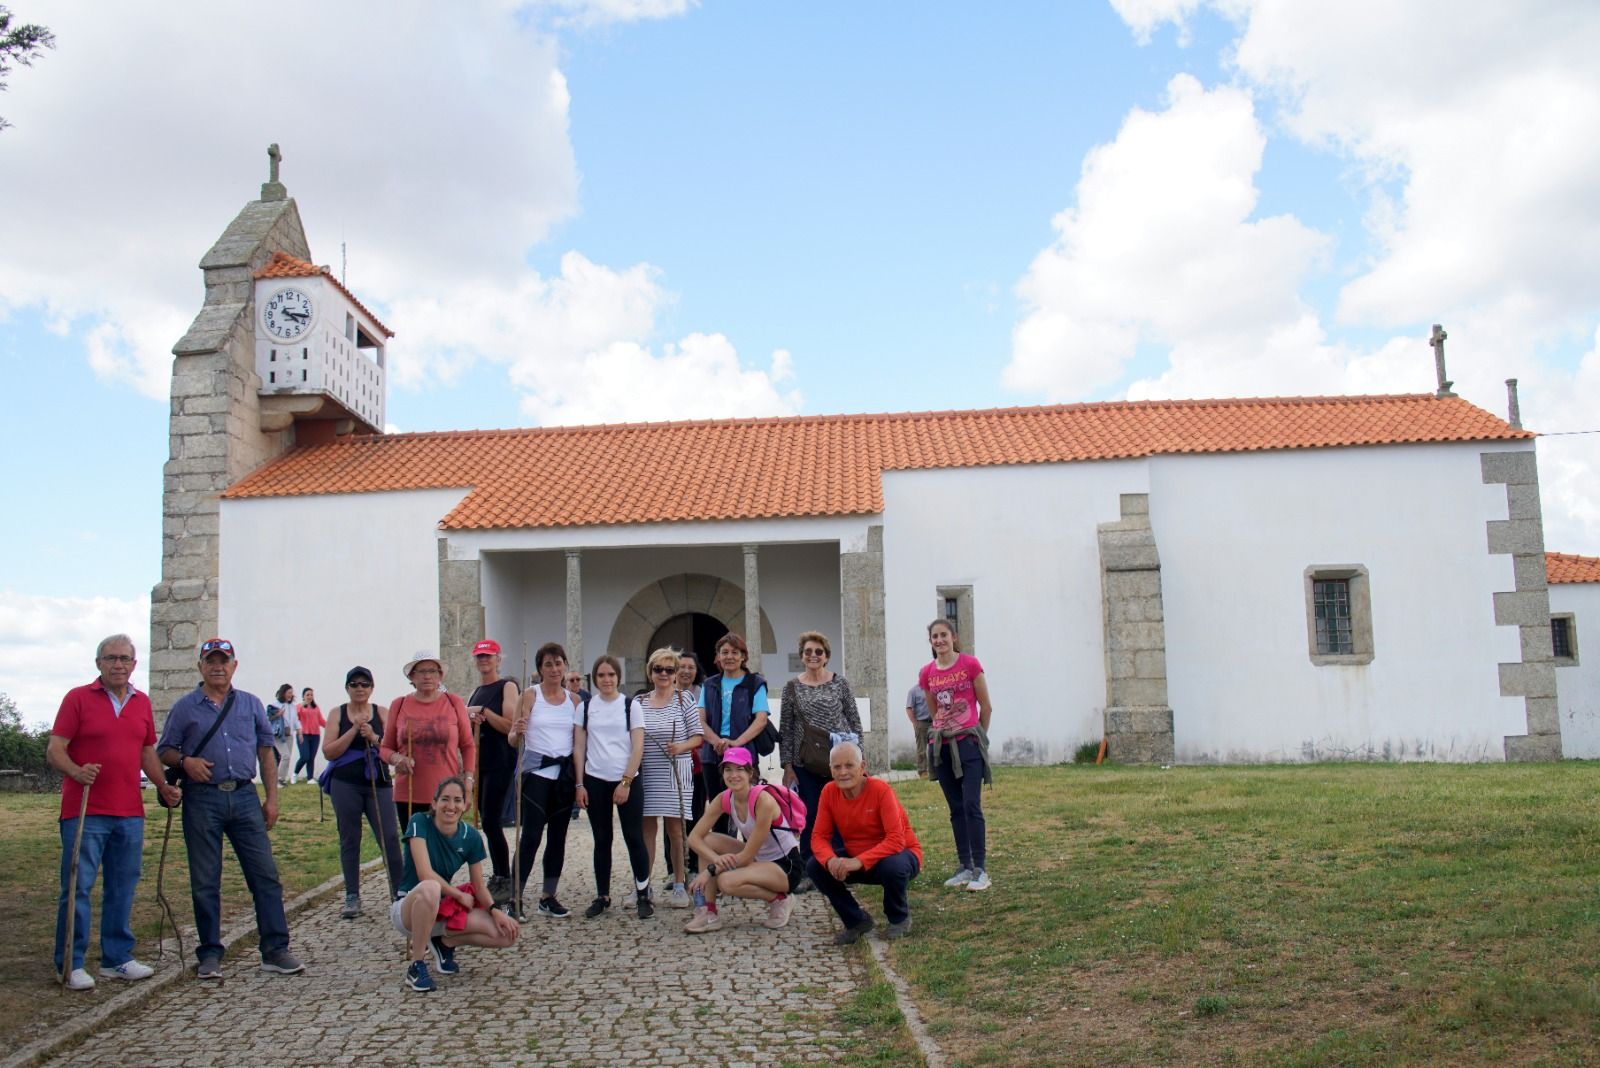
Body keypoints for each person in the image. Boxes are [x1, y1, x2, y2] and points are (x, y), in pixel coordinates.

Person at [157, 637, 305, 979]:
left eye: (224, 660)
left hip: (243, 796)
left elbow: (266, 752)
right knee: (205, 879)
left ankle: (275, 949)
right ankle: (209, 953)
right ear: (200, 667)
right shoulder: (184, 707)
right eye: (211, 661)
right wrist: (186, 761)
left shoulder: (251, 704)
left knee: (265, 876)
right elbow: (164, 749)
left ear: (234, 666)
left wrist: (272, 798)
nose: (218, 666)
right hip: (202, 798)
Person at [47, 634, 180, 990]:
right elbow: (55, 749)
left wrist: (163, 784)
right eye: (110, 658)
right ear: (98, 664)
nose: (118, 665)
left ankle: (116, 958)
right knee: (78, 886)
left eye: (124, 659)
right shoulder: (77, 698)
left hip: (129, 811)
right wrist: (76, 771)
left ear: (134, 665)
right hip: (85, 810)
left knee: (123, 886)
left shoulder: (141, 702)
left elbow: (147, 751)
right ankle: (70, 963)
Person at [392, 777, 520, 993]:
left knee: (506, 935)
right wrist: (458, 895)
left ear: (465, 805)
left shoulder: (470, 836)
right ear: (434, 803)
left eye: (457, 800)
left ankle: (444, 943)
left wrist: (496, 911)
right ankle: (417, 964)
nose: (451, 806)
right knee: (430, 887)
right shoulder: (419, 822)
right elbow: (425, 873)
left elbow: (479, 886)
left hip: (442, 909)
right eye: (445, 799)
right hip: (409, 907)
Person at [807, 739, 923, 944]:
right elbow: (818, 837)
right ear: (831, 770)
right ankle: (856, 920)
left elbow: (896, 840)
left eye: (849, 765)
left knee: (893, 866)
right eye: (837, 767)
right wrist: (831, 860)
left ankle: (899, 918)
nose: (843, 772)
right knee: (815, 865)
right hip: (858, 857)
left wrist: (858, 861)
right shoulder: (828, 792)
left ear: (862, 767)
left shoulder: (880, 789)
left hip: (900, 855)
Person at [684, 746, 802, 933]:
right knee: (707, 840)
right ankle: (708, 912)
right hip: (759, 859)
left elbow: (746, 857)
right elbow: (694, 838)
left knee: (726, 882)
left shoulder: (764, 802)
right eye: (728, 769)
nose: (733, 775)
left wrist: (708, 872)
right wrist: (715, 859)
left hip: (784, 866)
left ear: (750, 773)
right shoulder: (725, 798)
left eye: (739, 769)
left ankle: (780, 900)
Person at [779, 630, 862, 888]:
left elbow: (854, 720)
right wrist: (788, 765)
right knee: (812, 814)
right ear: (802, 656)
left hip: (840, 761)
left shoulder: (840, 683)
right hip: (806, 762)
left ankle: (839, 865)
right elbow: (787, 728)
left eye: (818, 652)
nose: (813, 656)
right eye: (808, 652)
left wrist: (858, 758)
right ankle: (809, 868)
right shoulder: (792, 688)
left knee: (841, 812)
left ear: (826, 656)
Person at [321, 666, 404, 918]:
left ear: (371, 688)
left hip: (377, 782)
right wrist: (354, 730)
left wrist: (374, 736)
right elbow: (329, 751)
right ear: (347, 688)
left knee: (389, 836)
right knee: (349, 838)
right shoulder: (337, 713)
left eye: (364, 684)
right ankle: (352, 895)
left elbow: (393, 749)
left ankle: (398, 892)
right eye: (354, 684)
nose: (359, 688)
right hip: (345, 783)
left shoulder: (382, 712)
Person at [573, 654, 651, 919]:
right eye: (601, 675)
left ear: (618, 677)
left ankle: (643, 893)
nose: (606, 680)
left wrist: (626, 782)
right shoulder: (585, 708)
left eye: (611, 675)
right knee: (602, 839)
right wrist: (580, 784)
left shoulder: (631, 706)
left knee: (634, 838)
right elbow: (579, 746)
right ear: (594, 679)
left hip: (627, 779)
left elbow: (638, 746)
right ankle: (602, 895)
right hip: (596, 780)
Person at [508, 642, 581, 919]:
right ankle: (515, 897)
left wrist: (578, 782)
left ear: (565, 666)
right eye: (548, 664)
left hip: (562, 776)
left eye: (558, 663)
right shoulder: (529, 696)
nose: (554, 669)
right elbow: (513, 739)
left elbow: (578, 744)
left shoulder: (574, 701)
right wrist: (517, 731)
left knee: (558, 838)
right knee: (531, 837)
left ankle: (548, 895)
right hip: (536, 774)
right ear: (539, 668)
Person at [921, 617, 994, 892]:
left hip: (968, 744)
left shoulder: (970, 665)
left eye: (943, 635)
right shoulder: (927, 672)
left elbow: (985, 706)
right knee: (956, 808)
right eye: (934, 637)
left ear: (954, 638)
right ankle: (964, 865)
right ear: (931, 642)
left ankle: (980, 869)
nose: (939, 640)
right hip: (942, 746)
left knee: (972, 805)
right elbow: (933, 711)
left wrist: (978, 737)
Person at [636, 647, 702, 909]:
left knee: (676, 831)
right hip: (649, 771)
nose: (663, 674)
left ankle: (678, 883)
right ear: (650, 672)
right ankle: (644, 885)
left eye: (669, 669)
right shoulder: (639, 702)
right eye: (658, 669)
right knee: (647, 832)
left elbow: (698, 736)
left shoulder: (684, 699)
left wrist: (681, 747)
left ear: (675, 673)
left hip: (676, 771)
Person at [380, 651, 477, 827]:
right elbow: (385, 748)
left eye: (432, 671)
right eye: (421, 671)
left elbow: (468, 745)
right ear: (411, 676)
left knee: (443, 848)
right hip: (409, 793)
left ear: (440, 675)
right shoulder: (399, 704)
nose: (427, 676)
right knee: (415, 848)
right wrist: (397, 758)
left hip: (446, 794)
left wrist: (468, 782)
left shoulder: (454, 702)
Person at [697, 633, 769, 837]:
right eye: (724, 652)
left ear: (743, 657)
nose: (729, 657)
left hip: (744, 753)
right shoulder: (709, 684)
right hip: (713, 754)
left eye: (734, 652)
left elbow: (760, 719)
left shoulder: (755, 683)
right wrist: (716, 741)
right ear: (718, 657)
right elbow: (700, 720)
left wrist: (736, 743)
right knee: (718, 807)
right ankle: (722, 860)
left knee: (748, 807)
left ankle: (750, 858)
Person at [464, 639, 519, 904]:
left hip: (500, 761)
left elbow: (510, 725)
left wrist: (483, 712)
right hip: (480, 762)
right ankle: (497, 875)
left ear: (498, 659)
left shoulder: (506, 687)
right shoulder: (476, 691)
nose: (484, 661)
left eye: (488, 657)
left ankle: (503, 877)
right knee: (486, 819)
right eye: (479, 657)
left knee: (492, 821)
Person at [675, 651, 706, 877]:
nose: (686, 671)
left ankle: (695, 864)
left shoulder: (702, 694)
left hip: (697, 764)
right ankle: (672, 867)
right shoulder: (663, 694)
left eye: (691, 667)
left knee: (696, 814)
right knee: (671, 817)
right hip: (672, 763)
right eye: (681, 666)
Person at [294, 687, 325, 783]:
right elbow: (295, 716)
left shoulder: (316, 707)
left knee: (311, 757)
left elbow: (321, 720)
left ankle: (310, 778)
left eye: (311, 695)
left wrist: (331, 727)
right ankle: (295, 774)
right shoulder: (299, 707)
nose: (310, 697)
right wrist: (302, 705)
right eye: (307, 695)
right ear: (303, 696)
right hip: (303, 735)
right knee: (305, 756)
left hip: (315, 735)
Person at [268, 683, 297, 785]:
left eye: (291, 693)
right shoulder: (274, 705)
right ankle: (277, 779)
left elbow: (295, 720)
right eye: (289, 693)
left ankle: (282, 779)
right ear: (283, 693)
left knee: (287, 758)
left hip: (289, 734)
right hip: (279, 734)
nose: (291, 695)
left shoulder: (292, 706)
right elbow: (267, 719)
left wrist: (299, 731)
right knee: (285, 756)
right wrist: (277, 715)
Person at [906, 684, 931, 779]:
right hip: (921, 723)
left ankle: (935, 771)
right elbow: (909, 708)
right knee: (922, 750)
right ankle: (923, 771)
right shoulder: (913, 691)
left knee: (937, 748)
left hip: (934, 723)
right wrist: (915, 723)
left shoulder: (934, 688)